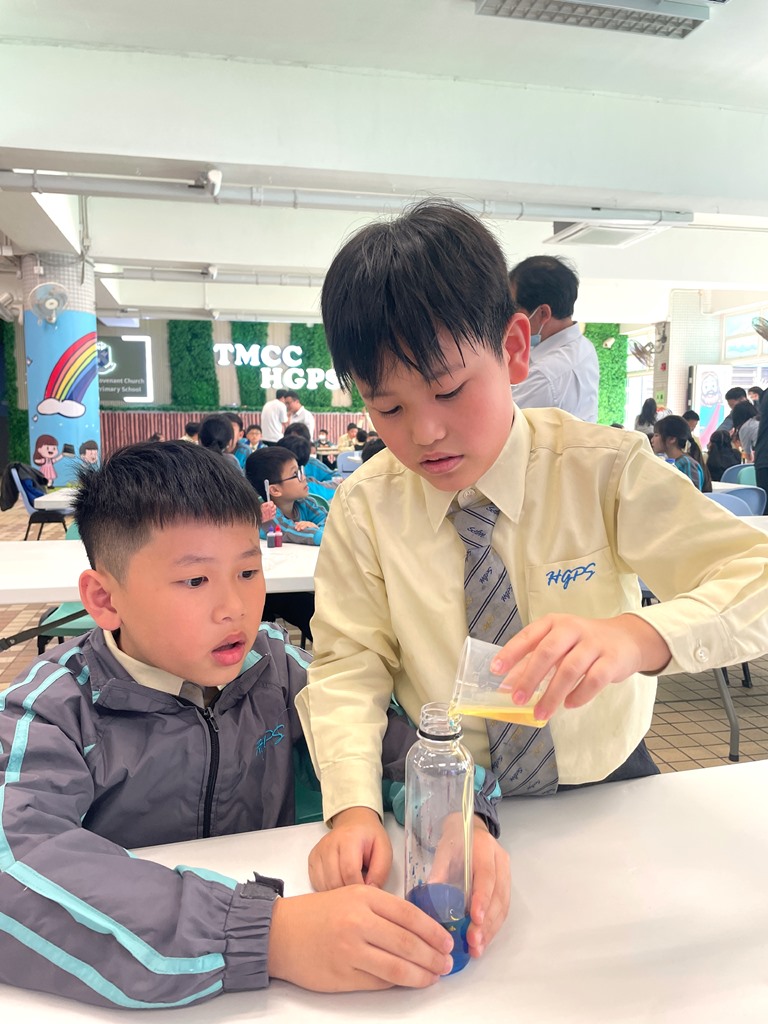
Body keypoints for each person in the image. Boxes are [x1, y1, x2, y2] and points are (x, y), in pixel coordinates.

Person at [294, 200, 768, 958]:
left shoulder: (602, 470)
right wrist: (351, 806)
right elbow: (349, 666)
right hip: (445, 799)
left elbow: (755, 575)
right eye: (388, 407)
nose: (425, 432)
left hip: (610, 787)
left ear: (515, 348)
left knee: (632, 968)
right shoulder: (365, 507)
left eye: (449, 390)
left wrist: (636, 635)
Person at [0, 440, 478, 1008]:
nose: (236, 607)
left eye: (248, 571)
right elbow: (15, 866)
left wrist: (464, 822)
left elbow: (405, 748)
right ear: (104, 599)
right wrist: (269, 936)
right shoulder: (55, 710)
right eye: (195, 581)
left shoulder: (278, 670)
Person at [507, 255, 599, 422]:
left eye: (513, 308)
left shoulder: (544, 376)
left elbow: (499, 423)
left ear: (543, 313)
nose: (509, 317)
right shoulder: (583, 346)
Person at [245, 446, 326, 546]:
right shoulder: (267, 515)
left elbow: (332, 522)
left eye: (300, 471)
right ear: (275, 490)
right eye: (295, 474)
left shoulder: (305, 503)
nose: (304, 477)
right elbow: (288, 532)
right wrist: (318, 532)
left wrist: (317, 528)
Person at [651, 415, 712, 492]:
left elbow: (692, 495)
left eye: (656, 435)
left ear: (672, 439)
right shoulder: (668, 461)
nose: (652, 440)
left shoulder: (687, 464)